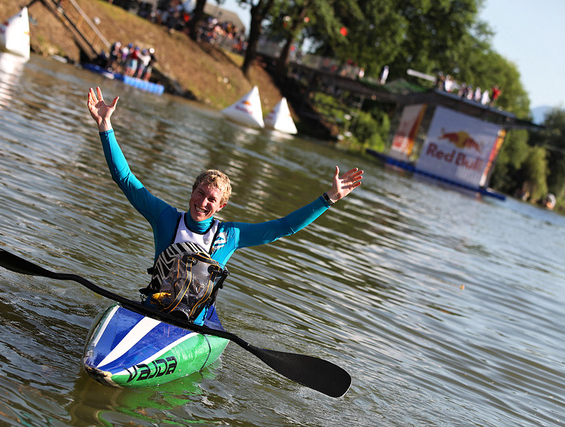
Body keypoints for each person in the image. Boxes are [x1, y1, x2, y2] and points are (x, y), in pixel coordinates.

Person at [86, 87, 364, 324]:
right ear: (192, 191)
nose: (203, 202)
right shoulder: (165, 218)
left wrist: (327, 199)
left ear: (221, 206)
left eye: (211, 199)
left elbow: (284, 228)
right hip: (154, 307)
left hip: (193, 323)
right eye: (200, 193)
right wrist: (105, 126)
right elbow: (124, 179)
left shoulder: (230, 236)